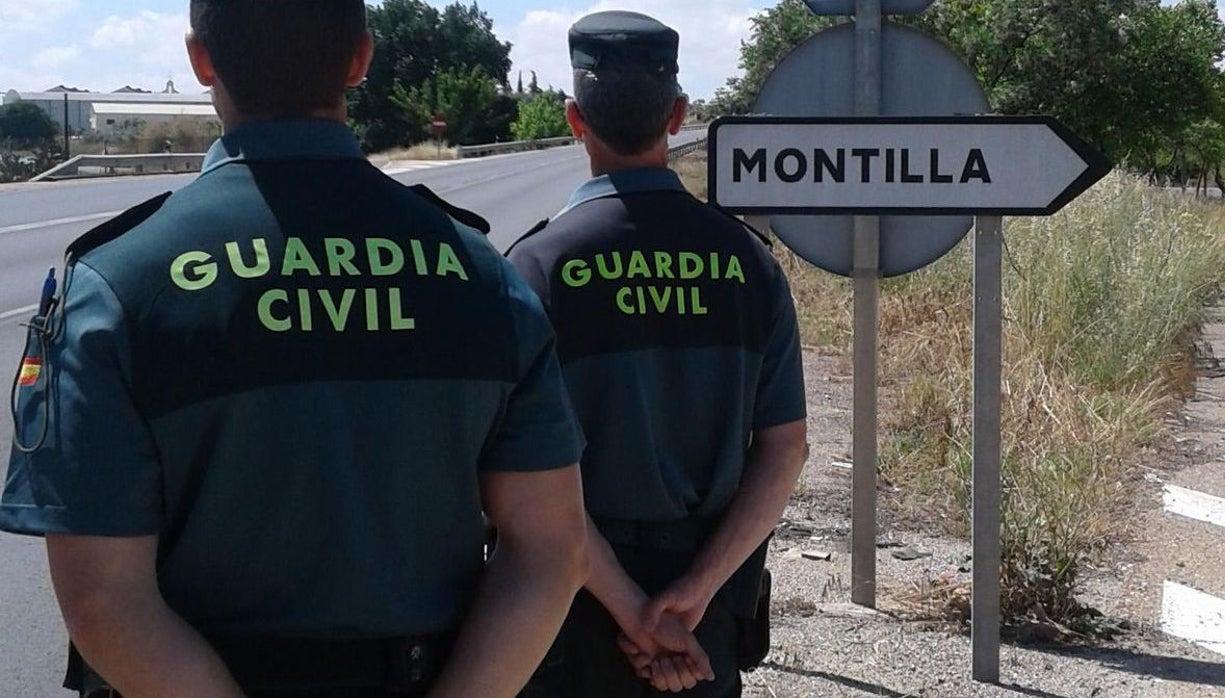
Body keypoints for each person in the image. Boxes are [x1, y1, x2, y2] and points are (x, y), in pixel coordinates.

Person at [2, 1, 589, 696]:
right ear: (361, 61)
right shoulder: (481, 277)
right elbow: (551, 550)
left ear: (200, 61)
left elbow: (105, 600)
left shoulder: (117, 285)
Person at [506, 11, 809, 698]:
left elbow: (517, 476)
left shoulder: (536, 269)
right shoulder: (749, 265)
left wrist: (628, 609)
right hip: (708, 608)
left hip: (564, 607)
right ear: (678, 115)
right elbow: (784, 449)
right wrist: (691, 599)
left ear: (574, 119)